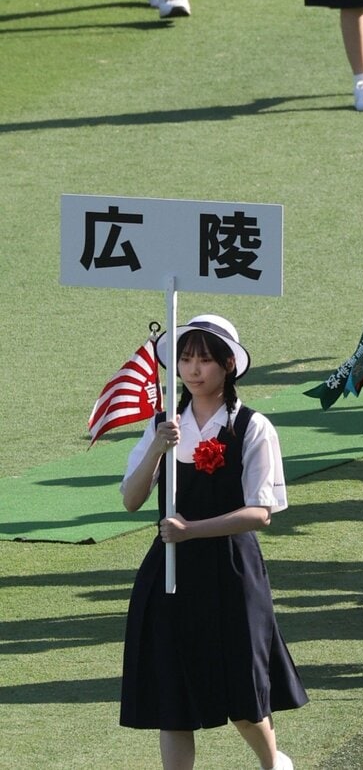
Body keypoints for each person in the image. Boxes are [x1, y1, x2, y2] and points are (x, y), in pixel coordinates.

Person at [119, 315, 305, 770]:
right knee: (172, 699)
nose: (193, 369)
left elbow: (260, 513)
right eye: (185, 358)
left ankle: (272, 761)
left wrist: (191, 531)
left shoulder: (254, 427)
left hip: (231, 568)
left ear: (227, 365)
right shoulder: (164, 427)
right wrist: (157, 451)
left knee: (243, 692)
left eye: (204, 359)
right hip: (169, 572)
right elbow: (131, 498)